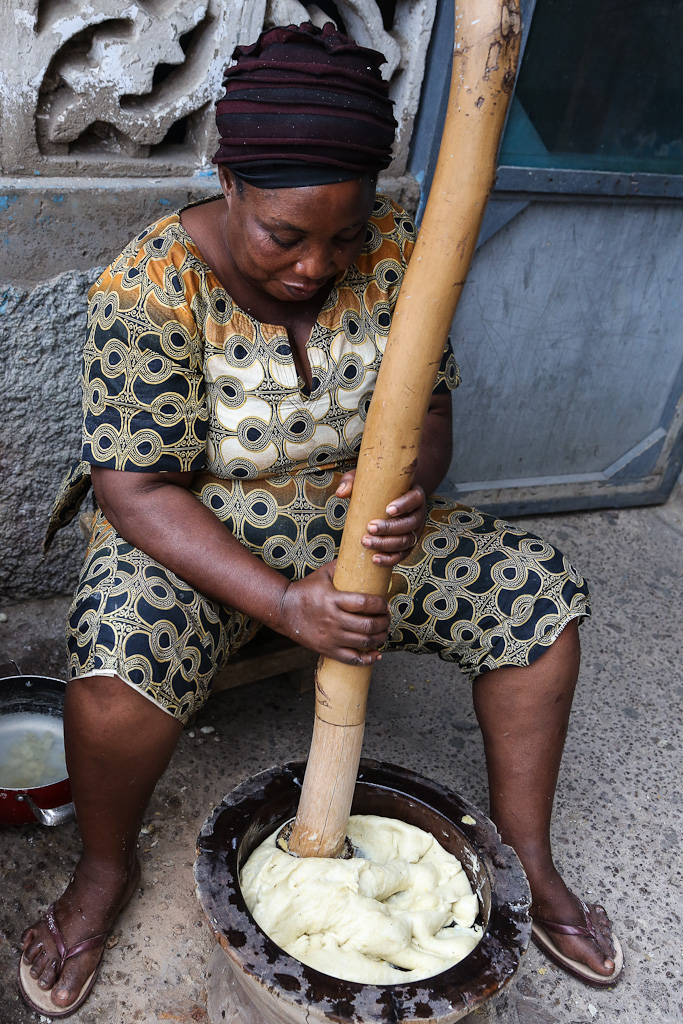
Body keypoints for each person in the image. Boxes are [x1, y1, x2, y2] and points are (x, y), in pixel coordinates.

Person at [19, 20, 622, 1017]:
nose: (316, 266)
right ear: (230, 185)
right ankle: (99, 870)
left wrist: (411, 481)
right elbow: (135, 490)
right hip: (193, 531)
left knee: (535, 601)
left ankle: (528, 862)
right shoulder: (154, 283)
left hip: (355, 525)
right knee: (118, 660)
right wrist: (281, 601)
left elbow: (429, 415)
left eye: (343, 234)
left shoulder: (394, 256)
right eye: (285, 235)